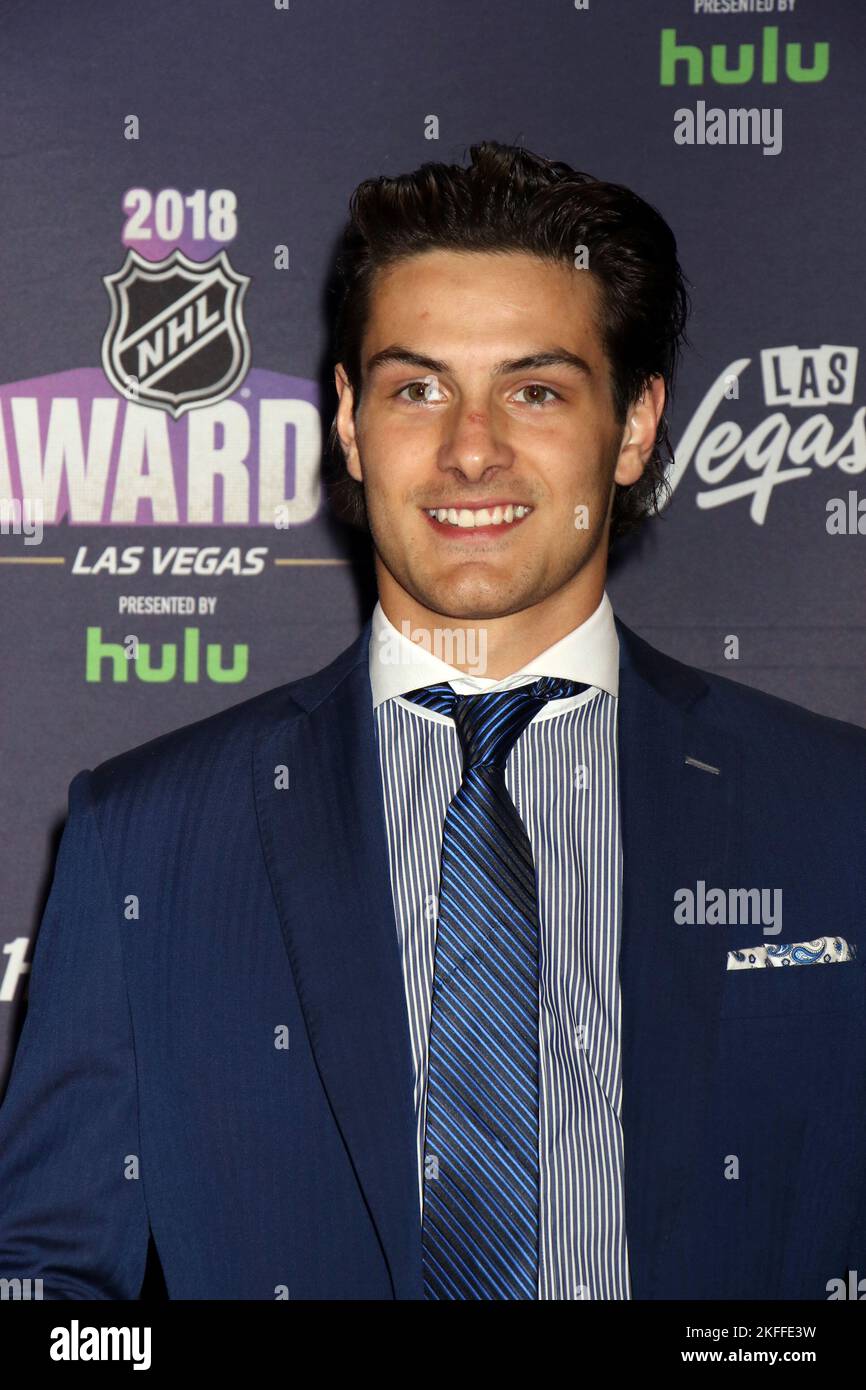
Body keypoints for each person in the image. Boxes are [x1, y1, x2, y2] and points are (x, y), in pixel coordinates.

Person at [0, 141, 863, 1301]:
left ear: (635, 426)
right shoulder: (147, 836)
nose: (469, 449)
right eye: (417, 388)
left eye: (535, 390)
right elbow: (50, 1285)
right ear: (350, 422)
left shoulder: (831, 811)